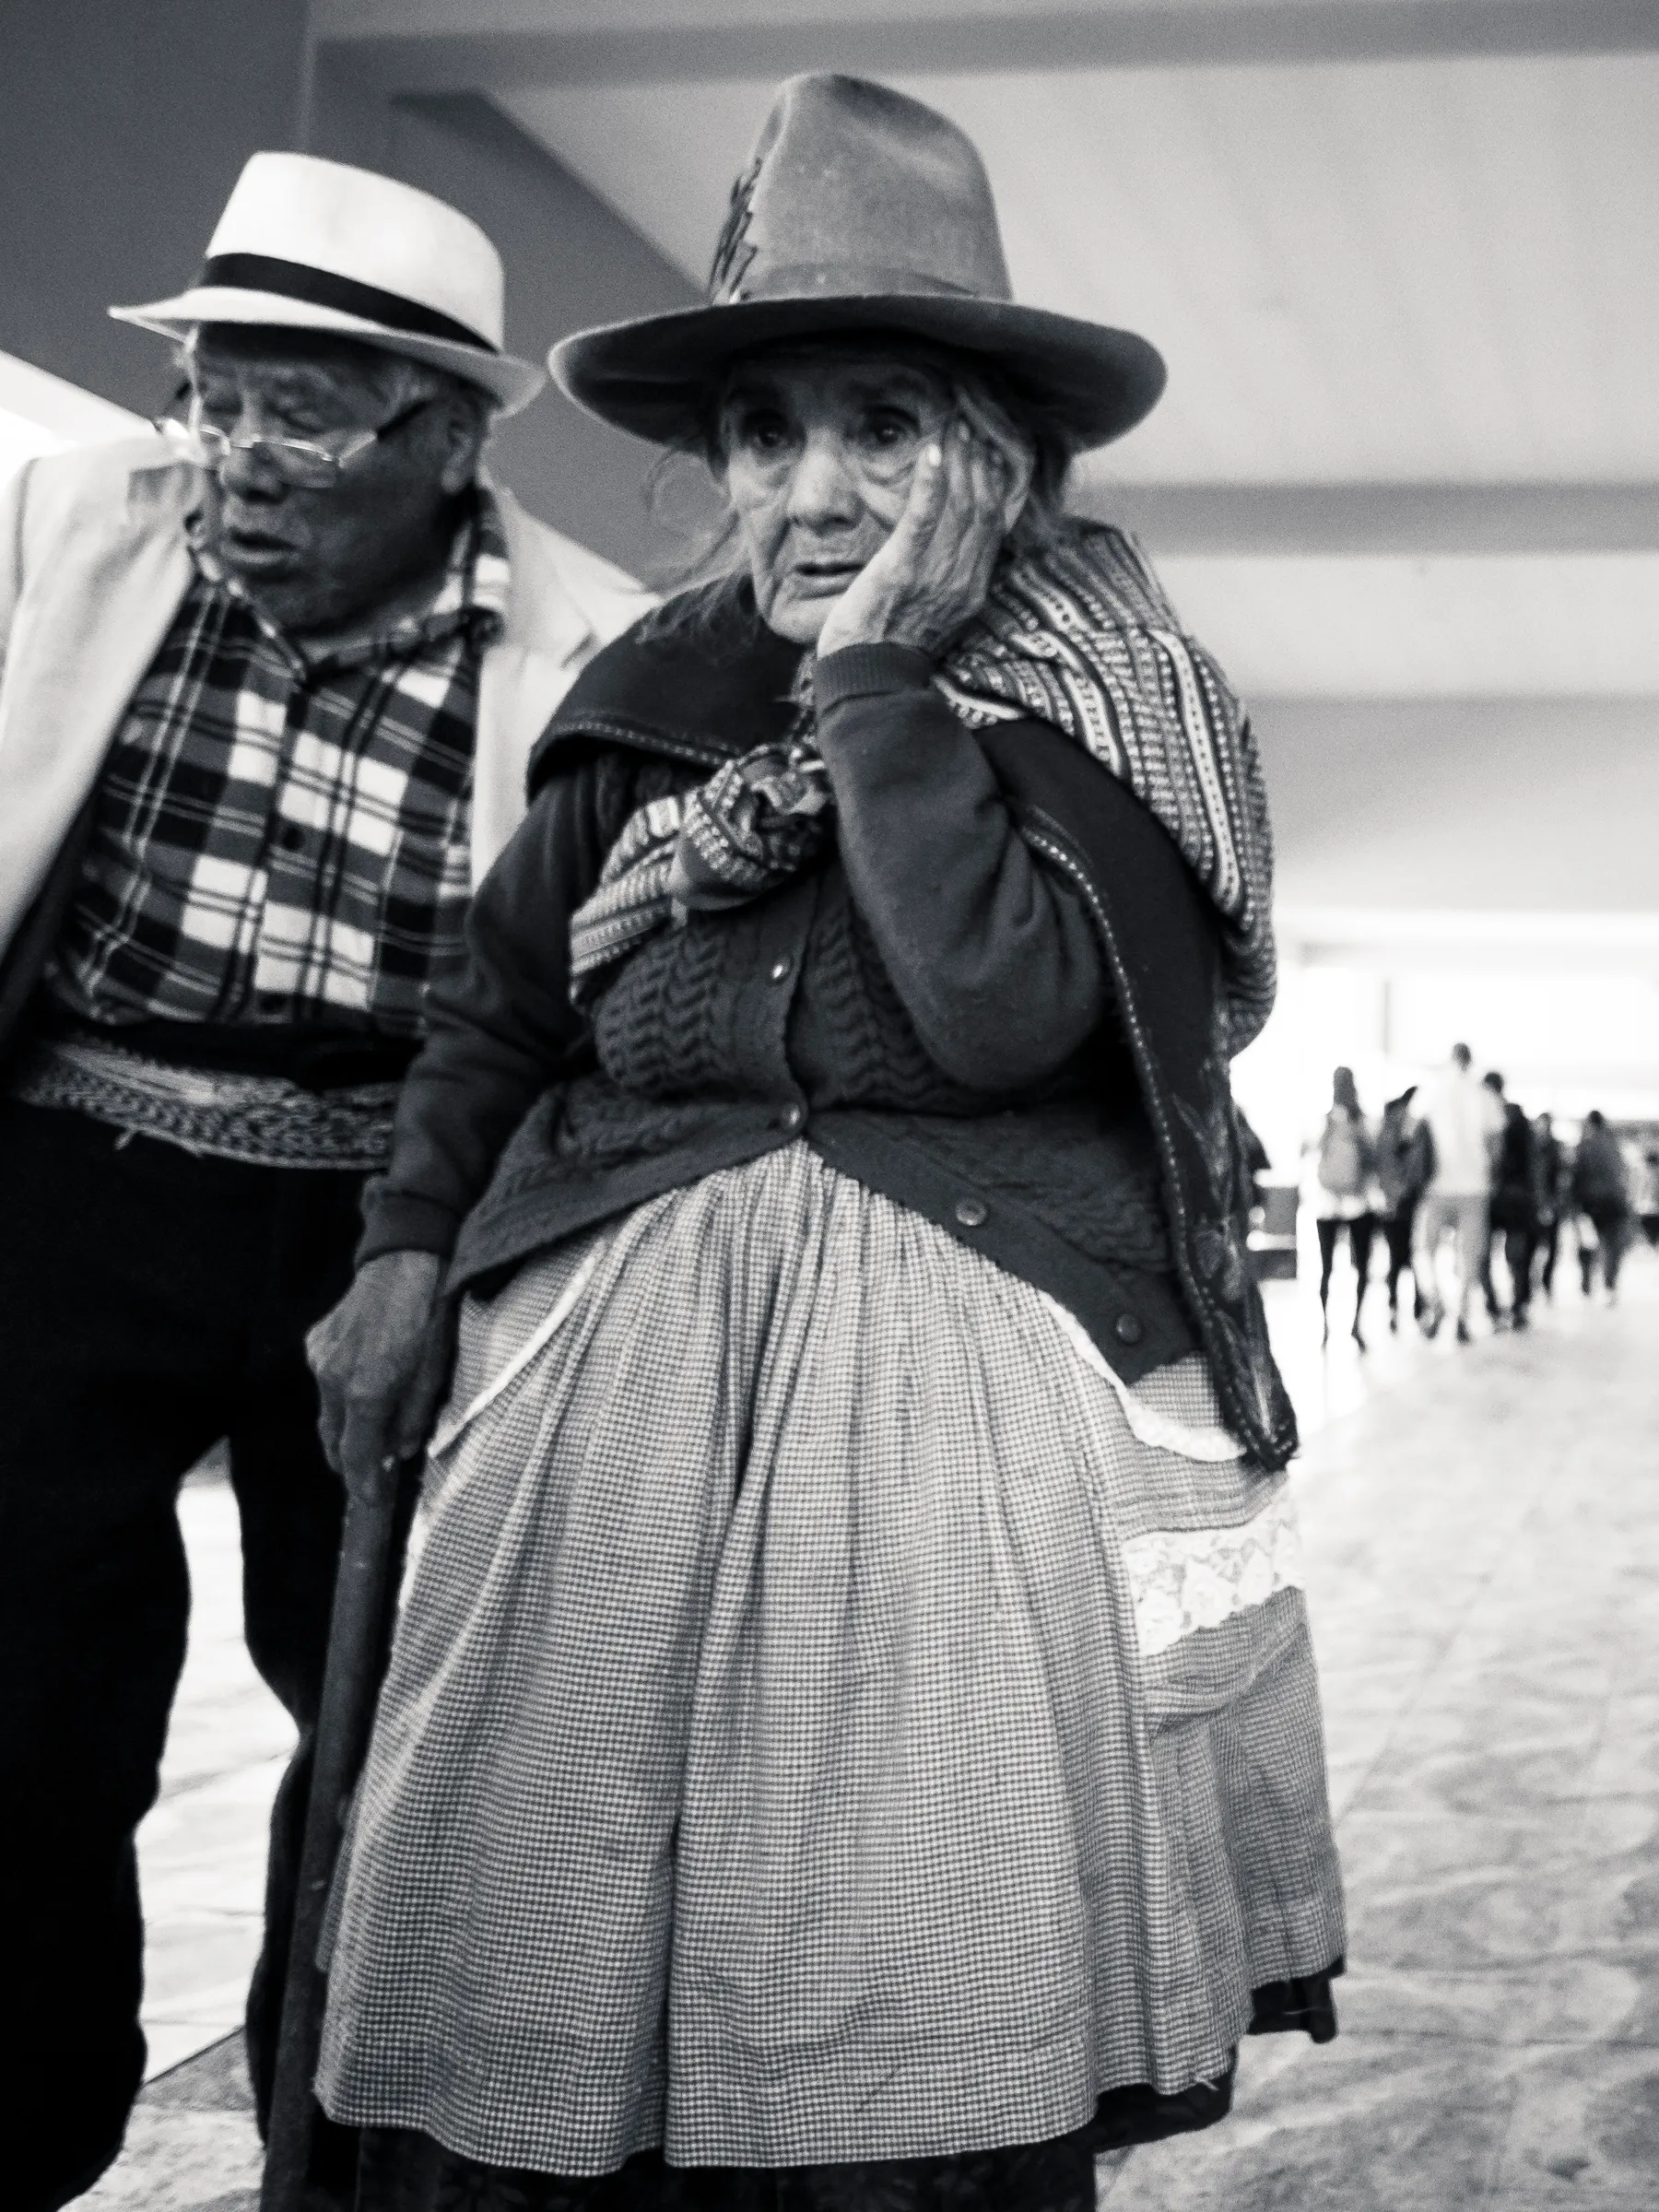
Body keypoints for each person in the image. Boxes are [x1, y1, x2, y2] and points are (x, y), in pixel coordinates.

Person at [306, 75, 1345, 2212]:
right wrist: (408, 1252)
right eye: (769, 434)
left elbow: (990, 1011)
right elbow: (502, 1001)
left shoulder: (1107, 696)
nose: (815, 487)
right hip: (605, 1392)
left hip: (950, 1441)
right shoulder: (648, 690)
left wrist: (874, 687)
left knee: (892, 1966)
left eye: (883, 426)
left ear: (1003, 463)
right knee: (549, 1935)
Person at [0, 153, 650, 2210]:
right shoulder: (70, 528)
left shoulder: (582, 657)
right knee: (18, 1692)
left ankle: (322, 2141)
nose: (239, 463)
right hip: (74, 1174)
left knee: (370, 1709)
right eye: (217, 397)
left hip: (383, 1229)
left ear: (446, 436)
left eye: (304, 412)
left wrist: (442, 1253)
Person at [1410, 1042, 1504, 1343]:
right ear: (1471, 1061)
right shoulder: (1485, 1095)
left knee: (1423, 1250)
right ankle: (1462, 1314)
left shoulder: (1431, 1089)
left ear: (1450, 1060)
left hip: (1435, 1186)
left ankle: (1435, 1303)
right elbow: (1496, 1144)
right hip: (1475, 1187)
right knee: (1470, 1255)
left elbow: (1409, 1133)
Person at [1306, 1065, 1378, 1348]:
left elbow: (1311, 1154)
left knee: (1326, 1269)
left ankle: (1327, 1327)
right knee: (1361, 1267)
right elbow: (1373, 1162)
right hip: (1358, 1203)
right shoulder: (1363, 1122)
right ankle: (1355, 1326)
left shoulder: (1325, 1120)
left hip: (1328, 1204)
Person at [1484, 1076, 1539, 1329]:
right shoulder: (1519, 1118)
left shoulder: (1483, 1116)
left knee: (1483, 1253)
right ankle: (1517, 1307)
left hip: (1491, 1193)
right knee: (1516, 1255)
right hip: (1518, 1195)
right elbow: (1532, 1161)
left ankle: (1493, 1306)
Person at [1375, 1084, 1429, 1331]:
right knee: (1407, 1255)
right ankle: (1409, 1306)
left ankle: (1400, 1306)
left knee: (1399, 1257)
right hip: (1405, 1203)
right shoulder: (1410, 1132)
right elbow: (1416, 1171)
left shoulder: (1388, 1133)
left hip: (1395, 1204)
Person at [1571, 1111, 1632, 1301]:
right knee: (1613, 1245)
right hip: (1614, 1203)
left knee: (1588, 1243)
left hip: (1591, 1203)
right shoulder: (1614, 1146)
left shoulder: (1585, 1147)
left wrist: (1575, 1203)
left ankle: (1587, 1281)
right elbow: (1622, 1177)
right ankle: (1609, 1284)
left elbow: (1576, 1177)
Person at [1533, 1111, 1568, 1299]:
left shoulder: (1555, 1149)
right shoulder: (1530, 1147)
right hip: (1534, 1205)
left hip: (1551, 1204)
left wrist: (1555, 1204)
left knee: (1552, 1247)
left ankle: (1546, 1281)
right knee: (1534, 1246)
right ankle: (1534, 1282)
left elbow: (1561, 1179)